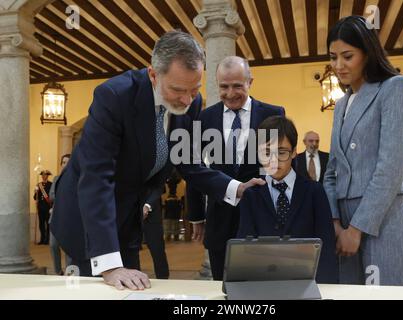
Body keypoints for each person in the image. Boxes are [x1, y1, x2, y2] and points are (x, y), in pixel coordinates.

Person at [51, 31, 263, 290]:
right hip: (85, 216)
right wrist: (109, 265)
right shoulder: (114, 96)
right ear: (153, 74)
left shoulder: (191, 105)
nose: (187, 99)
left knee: (131, 287)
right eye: (177, 90)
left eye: (194, 89)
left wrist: (235, 188)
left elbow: (189, 163)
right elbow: (97, 178)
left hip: (128, 215)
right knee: (96, 289)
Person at [323, 15, 403, 286]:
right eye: (333, 57)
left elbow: (390, 167)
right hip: (342, 223)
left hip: (382, 219)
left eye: (347, 56)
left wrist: (357, 229)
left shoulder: (396, 88)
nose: (338, 66)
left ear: (368, 53)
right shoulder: (341, 105)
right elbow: (331, 171)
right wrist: (335, 223)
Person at [187, 56, 285, 280]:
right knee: (224, 286)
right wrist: (196, 216)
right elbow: (194, 168)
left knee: (262, 285)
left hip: (263, 218)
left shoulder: (273, 114)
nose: (230, 93)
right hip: (219, 219)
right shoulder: (204, 118)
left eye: (237, 86)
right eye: (224, 86)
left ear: (250, 81)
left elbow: (283, 167)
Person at [237, 116, 338, 283]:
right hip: (264, 282)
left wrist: (326, 287)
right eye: (266, 153)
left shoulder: (314, 192)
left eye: (281, 152)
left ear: (293, 152)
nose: (273, 160)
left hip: (307, 280)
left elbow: (325, 245)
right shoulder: (251, 195)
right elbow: (243, 247)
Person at [48, 154, 72, 275]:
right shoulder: (56, 179)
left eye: (68, 162)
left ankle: (69, 272)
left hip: (69, 218)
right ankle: (58, 271)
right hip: (55, 218)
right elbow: (52, 195)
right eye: (64, 162)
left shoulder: (76, 179)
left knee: (68, 247)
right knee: (53, 245)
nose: (65, 165)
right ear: (61, 164)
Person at [34, 170, 52, 245]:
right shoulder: (39, 185)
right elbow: (35, 198)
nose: (44, 176)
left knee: (48, 224)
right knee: (41, 224)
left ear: (47, 176)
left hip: (48, 207)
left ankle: (47, 240)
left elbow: (52, 196)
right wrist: (35, 192)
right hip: (40, 208)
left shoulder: (51, 184)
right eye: (42, 175)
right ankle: (42, 239)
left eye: (45, 175)